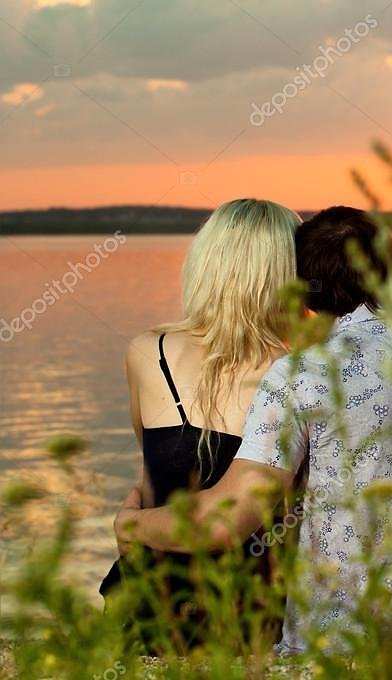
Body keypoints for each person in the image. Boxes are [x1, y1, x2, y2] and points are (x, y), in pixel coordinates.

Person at [114, 206, 392, 654]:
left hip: (347, 639)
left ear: (303, 291)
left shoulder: (303, 374)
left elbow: (232, 517)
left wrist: (133, 524)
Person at [101, 198, 301, 652]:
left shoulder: (148, 352)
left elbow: (154, 473)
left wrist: (129, 522)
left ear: (204, 263)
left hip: (147, 602)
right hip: (248, 613)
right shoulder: (299, 375)